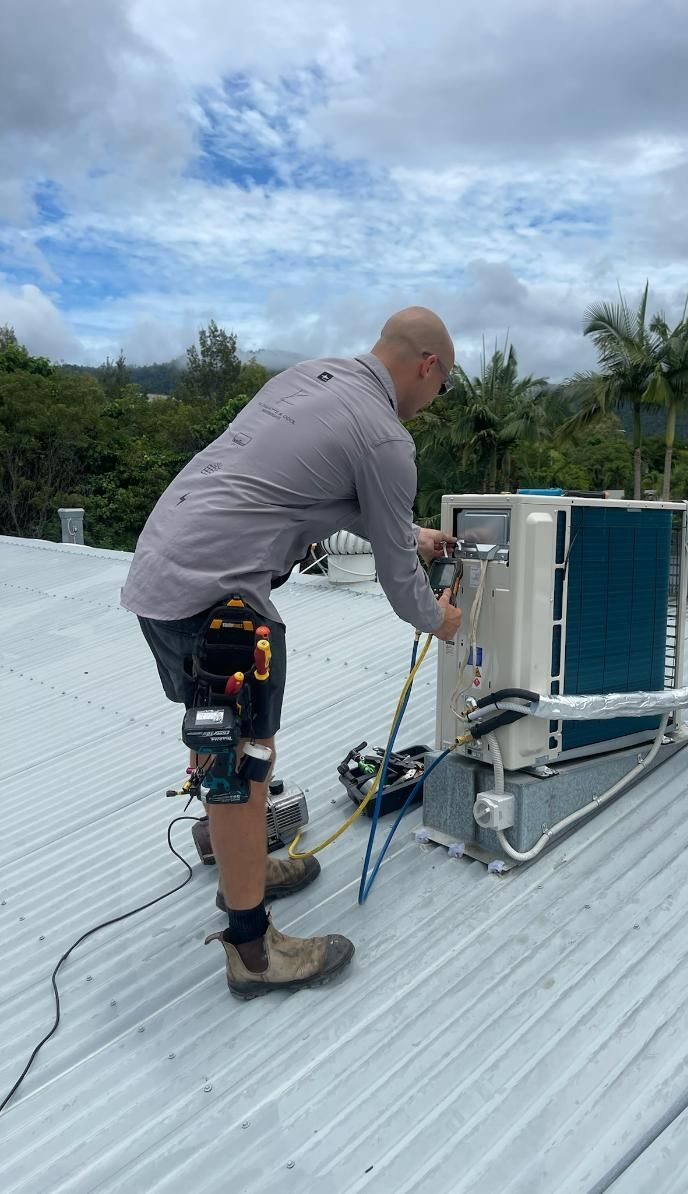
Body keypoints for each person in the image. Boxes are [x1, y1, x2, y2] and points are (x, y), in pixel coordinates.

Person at [121, 306, 463, 999]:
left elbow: (299, 488)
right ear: (429, 366)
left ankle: (229, 852)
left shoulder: (313, 378)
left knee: (216, 731)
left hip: (159, 576)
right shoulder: (387, 438)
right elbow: (404, 592)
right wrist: (444, 620)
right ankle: (252, 951)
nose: (434, 402)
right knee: (244, 761)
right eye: (443, 386)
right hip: (220, 596)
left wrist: (410, 531)